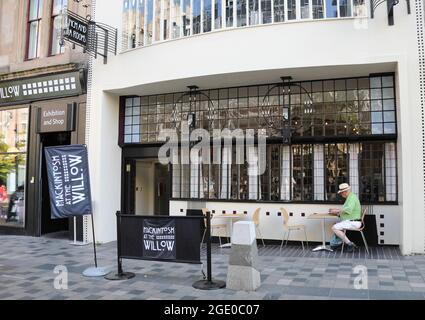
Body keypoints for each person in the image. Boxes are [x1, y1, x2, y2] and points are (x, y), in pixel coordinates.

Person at [328, 183, 361, 252]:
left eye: (341, 193)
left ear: (345, 192)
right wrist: (337, 212)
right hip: (352, 221)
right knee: (335, 224)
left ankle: (350, 244)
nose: (341, 194)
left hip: (354, 222)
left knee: (334, 227)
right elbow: (346, 211)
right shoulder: (350, 197)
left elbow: (348, 210)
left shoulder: (352, 198)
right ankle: (337, 244)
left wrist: (336, 210)